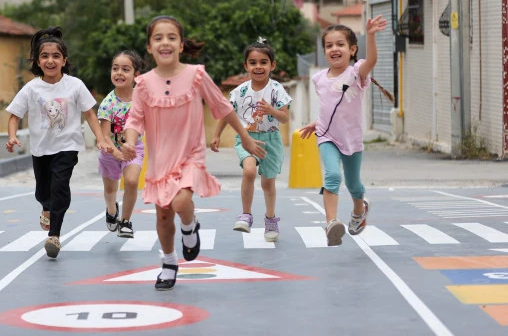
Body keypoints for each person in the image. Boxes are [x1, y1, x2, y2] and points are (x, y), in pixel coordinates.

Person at [122, 16, 266, 291]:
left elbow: (222, 106)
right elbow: (135, 120)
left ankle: (189, 226)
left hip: (190, 154)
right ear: (149, 47)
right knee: (163, 216)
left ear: (180, 44)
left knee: (180, 202)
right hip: (161, 160)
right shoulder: (143, 84)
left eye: (171, 37)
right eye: (158, 38)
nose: (165, 42)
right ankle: (168, 262)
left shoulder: (196, 75)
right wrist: (129, 142)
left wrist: (245, 137)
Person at [5, 27, 114, 259]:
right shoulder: (31, 88)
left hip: (67, 146)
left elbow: (90, 114)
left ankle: (54, 235)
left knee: (60, 187)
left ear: (64, 61)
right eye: (44, 56)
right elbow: (15, 115)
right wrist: (12, 136)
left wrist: (101, 138)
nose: (50, 60)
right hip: (41, 148)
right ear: (37, 61)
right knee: (42, 192)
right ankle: (46, 207)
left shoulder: (75, 85)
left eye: (56, 56)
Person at [300, 17, 392, 246]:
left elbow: (372, 60)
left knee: (353, 185)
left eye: (340, 44)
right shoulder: (318, 79)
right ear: (324, 51)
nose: (334, 49)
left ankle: (359, 209)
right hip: (326, 136)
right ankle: (331, 223)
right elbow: (329, 107)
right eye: (329, 45)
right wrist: (315, 123)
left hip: (351, 138)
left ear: (352, 50)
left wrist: (370, 35)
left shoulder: (356, 73)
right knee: (332, 176)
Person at [210, 38, 291, 242]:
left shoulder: (277, 89)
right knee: (249, 171)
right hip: (247, 138)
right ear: (246, 66)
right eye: (253, 62)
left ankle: (271, 219)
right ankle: (246, 215)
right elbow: (227, 113)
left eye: (263, 62)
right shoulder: (240, 91)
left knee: (268, 183)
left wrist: (271, 110)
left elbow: (284, 117)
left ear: (272, 65)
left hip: (271, 140)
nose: (258, 67)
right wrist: (217, 134)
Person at [97, 50, 145, 239]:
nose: (119, 73)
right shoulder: (107, 103)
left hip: (134, 149)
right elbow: (105, 135)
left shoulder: (141, 100)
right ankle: (111, 211)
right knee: (111, 190)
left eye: (125, 69)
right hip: (110, 152)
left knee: (131, 181)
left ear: (136, 75)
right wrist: (117, 154)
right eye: (115, 68)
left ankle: (125, 221)